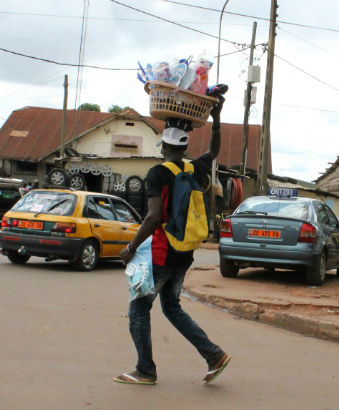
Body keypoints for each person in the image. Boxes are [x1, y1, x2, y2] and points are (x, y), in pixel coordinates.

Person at [114, 96, 229, 386]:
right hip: (185, 252)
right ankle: (213, 355)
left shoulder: (157, 173)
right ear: (184, 147)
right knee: (171, 306)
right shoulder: (195, 169)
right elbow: (214, 150)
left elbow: (153, 217)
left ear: (163, 146)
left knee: (139, 308)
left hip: (163, 252)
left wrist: (130, 248)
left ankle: (145, 370)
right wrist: (216, 117)